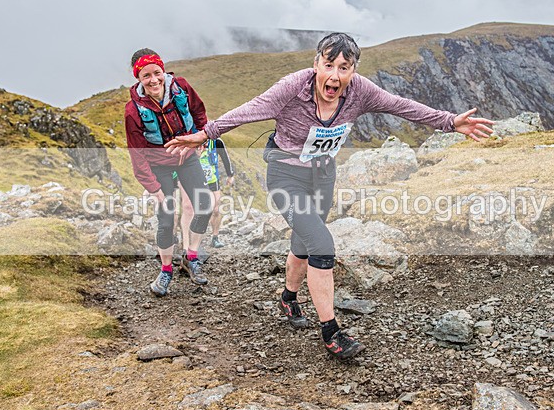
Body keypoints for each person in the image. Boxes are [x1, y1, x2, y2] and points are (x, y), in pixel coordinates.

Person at [165, 33, 494, 359]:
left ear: (353, 71)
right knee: (322, 244)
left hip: (323, 176)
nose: (335, 75)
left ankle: (288, 298)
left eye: (344, 67)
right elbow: (252, 109)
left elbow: (400, 106)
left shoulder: (359, 91)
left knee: (306, 242)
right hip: (285, 175)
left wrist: (450, 122)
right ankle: (331, 332)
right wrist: (205, 135)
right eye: (329, 65)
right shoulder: (293, 87)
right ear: (316, 64)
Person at [125, 48, 212, 296]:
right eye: (146, 76)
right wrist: (153, 188)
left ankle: (190, 257)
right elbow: (137, 153)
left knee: (204, 205)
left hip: (186, 156)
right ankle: (165, 271)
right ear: (138, 79)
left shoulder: (181, 87)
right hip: (158, 165)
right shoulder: (133, 111)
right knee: (166, 219)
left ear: (163, 70)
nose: (153, 80)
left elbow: (199, 112)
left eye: (157, 72)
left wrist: (200, 138)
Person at [197, 138, 236, 248]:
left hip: (213, 181)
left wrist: (230, 175)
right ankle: (195, 240)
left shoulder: (216, 142)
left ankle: (215, 237)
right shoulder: (193, 140)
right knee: (198, 211)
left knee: (216, 210)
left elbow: (225, 157)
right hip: (196, 182)